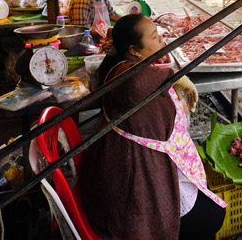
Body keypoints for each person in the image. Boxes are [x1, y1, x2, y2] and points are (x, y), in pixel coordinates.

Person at [82, 14, 227, 240]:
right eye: (153, 36)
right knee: (213, 217)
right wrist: (174, 76)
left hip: (147, 162)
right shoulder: (124, 76)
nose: (160, 39)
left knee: (208, 214)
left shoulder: (135, 67)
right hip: (134, 181)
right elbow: (134, 85)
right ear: (134, 50)